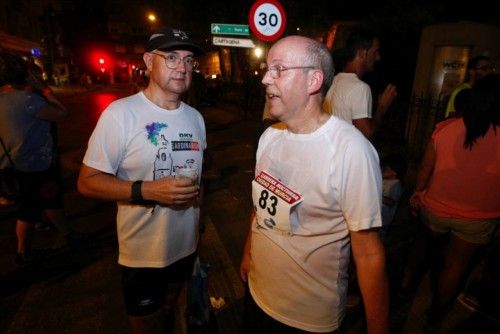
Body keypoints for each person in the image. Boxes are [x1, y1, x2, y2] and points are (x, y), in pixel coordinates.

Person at [240, 35, 389, 334]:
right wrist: (248, 253)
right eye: (268, 68)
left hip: (308, 318)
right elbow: (260, 207)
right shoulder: (269, 137)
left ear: (313, 80)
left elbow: (369, 254)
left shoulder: (351, 151)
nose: (266, 79)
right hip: (256, 295)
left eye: (279, 69)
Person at [77, 27, 205, 334]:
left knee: (171, 308)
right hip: (142, 252)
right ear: (149, 61)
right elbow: (87, 181)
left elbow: (200, 181)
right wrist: (148, 190)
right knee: (146, 323)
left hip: (185, 245)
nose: (182, 67)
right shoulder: (121, 114)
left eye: (189, 60)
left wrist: (199, 226)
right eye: (171, 57)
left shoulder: (196, 118)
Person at [404, 74, 500, 326]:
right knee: (456, 265)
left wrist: (418, 192)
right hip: (479, 218)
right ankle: (436, 313)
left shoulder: (446, 128)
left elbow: (425, 168)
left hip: (435, 209)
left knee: (423, 244)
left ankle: (406, 282)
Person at [0, 52, 71, 264]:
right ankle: (23, 253)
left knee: (37, 203)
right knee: (29, 210)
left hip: (9, 164)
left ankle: (65, 234)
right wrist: (45, 91)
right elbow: (62, 113)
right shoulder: (27, 101)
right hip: (32, 163)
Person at [323, 29, 397, 140]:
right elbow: (367, 135)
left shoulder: (333, 81)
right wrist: (382, 107)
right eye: (375, 52)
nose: (378, 57)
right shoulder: (360, 88)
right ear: (362, 53)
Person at [380, 153, 407, 238]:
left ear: (394, 172)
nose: (381, 170)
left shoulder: (396, 186)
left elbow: (391, 202)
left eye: (385, 169)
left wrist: (375, 195)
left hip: (383, 221)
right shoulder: (384, 180)